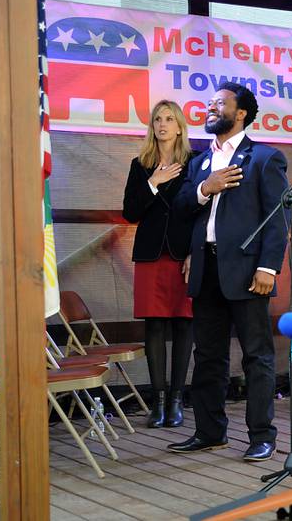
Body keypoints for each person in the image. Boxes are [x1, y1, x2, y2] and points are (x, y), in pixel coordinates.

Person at [168, 82, 289, 462]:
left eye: (219, 104)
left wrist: (268, 266)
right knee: (208, 356)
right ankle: (209, 432)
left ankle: (261, 436)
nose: (210, 108)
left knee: (257, 356)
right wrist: (206, 187)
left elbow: (278, 218)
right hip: (206, 269)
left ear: (240, 114)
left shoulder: (264, 159)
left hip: (248, 271)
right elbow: (183, 206)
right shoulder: (199, 162)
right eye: (209, 103)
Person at [123, 99, 195, 429]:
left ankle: (178, 400)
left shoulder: (196, 163)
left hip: (184, 256)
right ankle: (159, 402)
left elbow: (202, 212)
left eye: (169, 119)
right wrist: (153, 181)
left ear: (180, 126)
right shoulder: (141, 165)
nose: (162, 124)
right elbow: (130, 212)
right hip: (151, 254)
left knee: (183, 326)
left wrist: (196, 251)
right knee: (154, 325)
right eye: (157, 120)